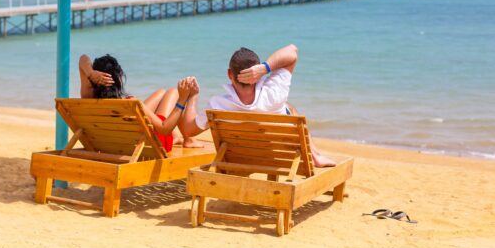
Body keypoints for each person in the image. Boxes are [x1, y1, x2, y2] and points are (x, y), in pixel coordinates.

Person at [179, 44, 336, 167]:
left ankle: (315, 154)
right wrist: (265, 67)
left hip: (240, 159)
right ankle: (314, 155)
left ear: (229, 74)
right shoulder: (274, 95)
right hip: (278, 156)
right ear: (257, 74)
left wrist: (192, 96)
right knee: (289, 108)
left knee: (288, 107)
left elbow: (188, 130)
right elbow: (292, 51)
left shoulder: (217, 105)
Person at [78, 54, 202, 151]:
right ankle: (188, 139)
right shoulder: (131, 103)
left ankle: (179, 137)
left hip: (117, 144)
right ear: (119, 78)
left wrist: (91, 73)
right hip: (151, 144)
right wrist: (183, 99)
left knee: (161, 92)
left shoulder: (88, 96)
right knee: (173, 92)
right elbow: (164, 129)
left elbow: (83, 59)